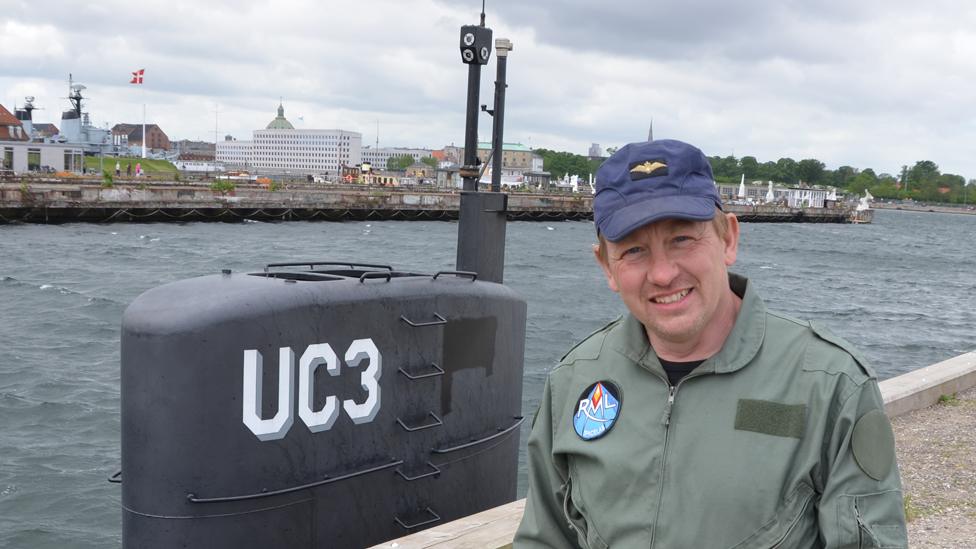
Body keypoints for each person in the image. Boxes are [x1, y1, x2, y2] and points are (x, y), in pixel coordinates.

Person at [514, 139, 907, 548]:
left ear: (729, 240)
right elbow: (545, 537)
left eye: (682, 239)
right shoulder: (574, 379)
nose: (663, 274)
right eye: (633, 250)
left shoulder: (831, 386)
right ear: (607, 267)